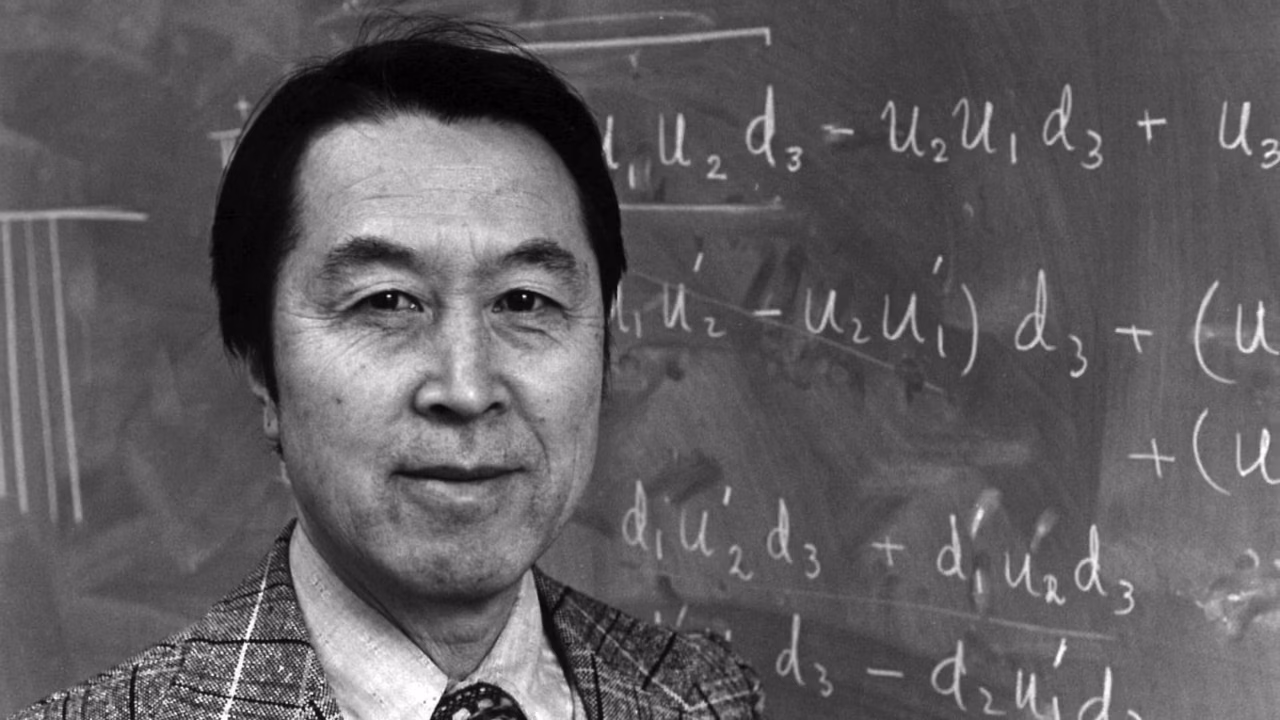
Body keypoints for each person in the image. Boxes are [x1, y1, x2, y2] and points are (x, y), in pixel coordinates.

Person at [9, 15, 764, 720]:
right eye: (387, 301)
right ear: (262, 369)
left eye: (524, 300)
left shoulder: (705, 696)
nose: (466, 388)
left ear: (604, 346)